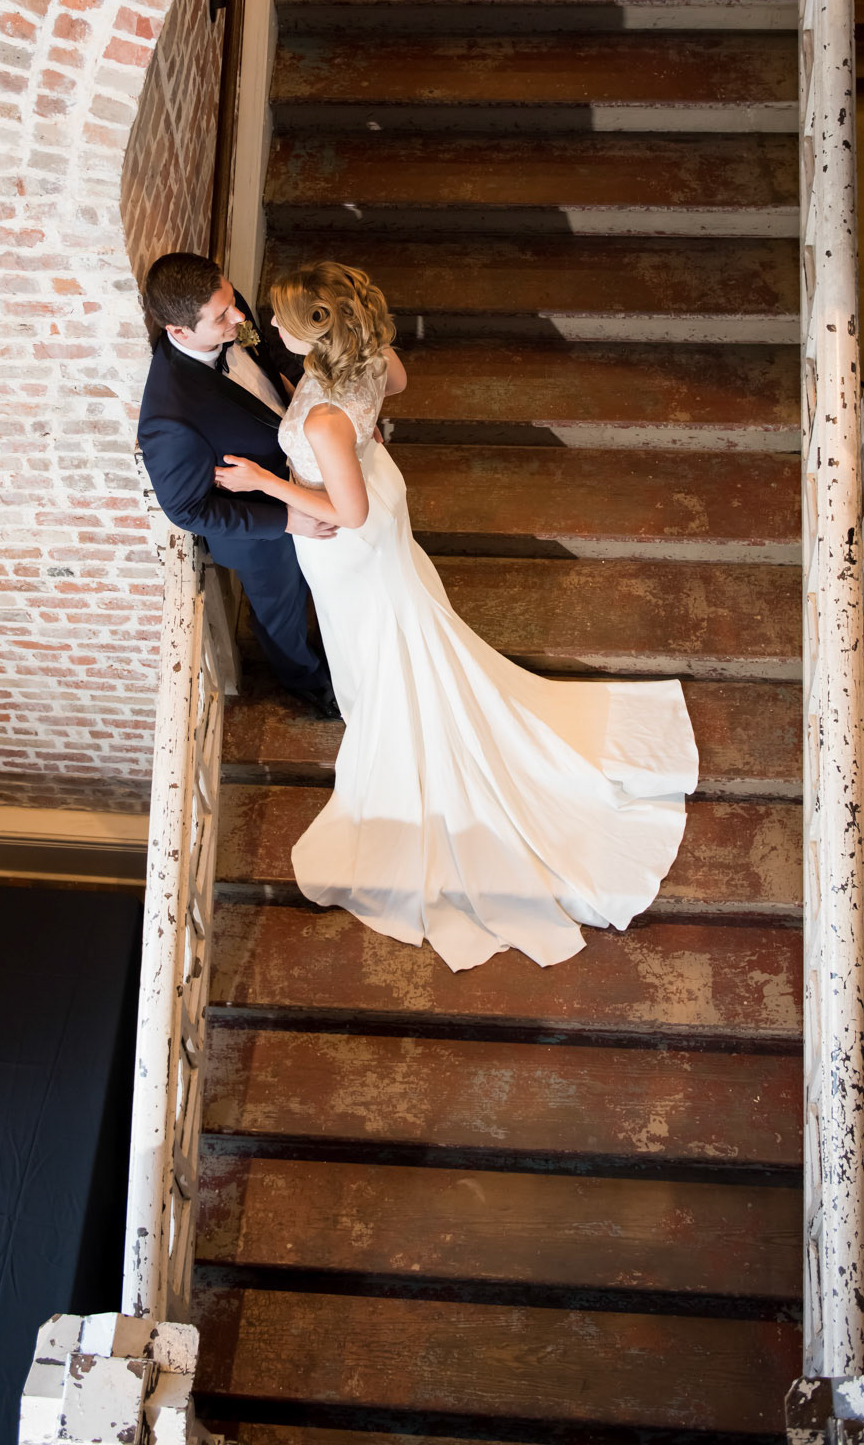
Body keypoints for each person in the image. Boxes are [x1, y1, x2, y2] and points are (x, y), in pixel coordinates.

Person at [214, 259, 700, 972]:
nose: (272, 326)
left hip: (349, 539)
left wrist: (263, 481)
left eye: (281, 319)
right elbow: (396, 384)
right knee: (400, 630)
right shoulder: (365, 362)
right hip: (378, 505)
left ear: (312, 332)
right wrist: (359, 434)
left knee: (382, 641)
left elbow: (344, 514)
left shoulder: (320, 416)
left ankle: (402, 727)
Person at [136, 250, 341, 720]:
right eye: (222, 316)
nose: (239, 316)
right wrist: (286, 519)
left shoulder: (228, 310)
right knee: (282, 610)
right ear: (179, 332)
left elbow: (266, 358)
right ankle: (306, 680)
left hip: (299, 472)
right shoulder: (170, 417)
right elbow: (188, 510)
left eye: (231, 300)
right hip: (259, 531)